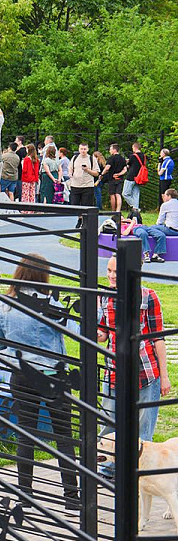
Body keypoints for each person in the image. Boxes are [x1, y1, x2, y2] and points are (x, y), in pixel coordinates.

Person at [0, 254, 79, 510]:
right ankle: (71, 498)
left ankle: (25, 495)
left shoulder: (5, 305)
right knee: (64, 436)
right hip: (53, 375)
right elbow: (74, 332)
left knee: (25, 435)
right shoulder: (50, 303)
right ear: (44, 275)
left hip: (21, 375)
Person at [98, 256, 171, 466]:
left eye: (116, 271)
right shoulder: (104, 297)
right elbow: (102, 335)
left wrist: (164, 376)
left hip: (146, 372)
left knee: (143, 428)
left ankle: (139, 472)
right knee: (109, 423)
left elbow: (157, 337)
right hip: (114, 371)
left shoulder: (148, 296)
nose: (111, 276)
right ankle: (108, 471)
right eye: (109, 270)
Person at [132, 188, 178, 262]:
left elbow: (160, 221)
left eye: (165, 195)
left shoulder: (165, 205)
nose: (163, 197)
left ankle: (138, 227)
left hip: (170, 230)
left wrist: (156, 227)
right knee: (156, 231)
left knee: (149, 228)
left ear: (169, 196)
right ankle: (156, 254)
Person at [69, 143, 99, 209]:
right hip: (75, 185)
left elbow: (96, 173)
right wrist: (70, 174)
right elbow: (70, 168)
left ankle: (85, 219)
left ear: (87, 149)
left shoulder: (92, 159)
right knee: (74, 206)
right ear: (79, 149)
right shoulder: (74, 158)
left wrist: (87, 170)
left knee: (86, 207)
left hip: (87, 186)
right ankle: (78, 218)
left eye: (84, 149)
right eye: (81, 149)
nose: (83, 151)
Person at [123, 142, 148, 214]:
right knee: (136, 194)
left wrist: (127, 162)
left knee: (125, 193)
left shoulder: (133, 156)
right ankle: (136, 210)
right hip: (139, 177)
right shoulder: (144, 156)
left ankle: (135, 207)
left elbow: (129, 164)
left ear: (134, 147)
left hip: (131, 176)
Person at [103, 143, 128, 214]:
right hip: (120, 179)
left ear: (114, 150)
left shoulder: (111, 158)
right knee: (118, 194)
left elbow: (107, 168)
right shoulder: (122, 158)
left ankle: (113, 210)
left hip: (111, 179)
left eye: (110, 149)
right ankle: (118, 210)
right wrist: (119, 174)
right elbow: (125, 169)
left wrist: (102, 174)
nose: (109, 151)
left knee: (112, 195)